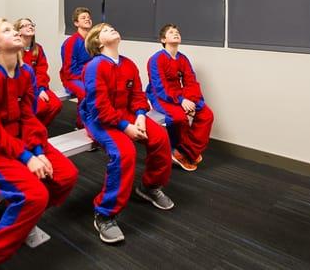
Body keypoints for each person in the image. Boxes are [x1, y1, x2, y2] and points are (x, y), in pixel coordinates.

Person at [0, 19, 78, 269]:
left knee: (67, 176)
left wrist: (37, 150)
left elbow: (29, 116)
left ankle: (7, 211)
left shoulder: (26, 73)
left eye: (14, 30)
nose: (15, 32)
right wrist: (28, 157)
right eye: (7, 31)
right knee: (35, 196)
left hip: (23, 140)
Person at [79, 23, 173, 244]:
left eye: (113, 27)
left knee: (160, 137)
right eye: (105, 29)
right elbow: (99, 108)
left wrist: (141, 115)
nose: (112, 28)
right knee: (124, 152)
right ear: (98, 42)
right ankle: (105, 213)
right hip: (100, 119)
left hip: (128, 115)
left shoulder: (128, 64)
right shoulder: (94, 66)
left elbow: (138, 95)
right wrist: (125, 127)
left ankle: (149, 187)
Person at [146, 24, 214, 171]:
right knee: (179, 118)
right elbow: (160, 87)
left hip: (181, 94)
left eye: (177, 32)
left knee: (207, 115)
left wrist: (192, 100)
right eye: (171, 32)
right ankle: (181, 151)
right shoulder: (156, 59)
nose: (176, 34)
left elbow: (191, 81)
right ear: (163, 39)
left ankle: (184, 152)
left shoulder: (183, 59)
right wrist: (181, 101)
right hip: (161, 96)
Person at [14, 18, 62, 126]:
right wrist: (34, 91)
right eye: (25, 25)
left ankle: (39, 128)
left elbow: (42, 71)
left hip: (39, 86)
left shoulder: (38, 49)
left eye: (31, 25)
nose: (30, 26)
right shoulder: (15, 49)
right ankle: (28, 130)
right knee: (40, 107)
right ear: (18, 31)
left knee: (56, 104)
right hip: (24, 90)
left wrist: (40, 89)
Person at [60, 7, 93, 128]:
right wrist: (87, 77)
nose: (87, 19)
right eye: (83, 18)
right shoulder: (71, 42)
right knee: (86, 92)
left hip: (88, 77)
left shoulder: (93, 41)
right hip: (72, 78)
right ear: (76, 23)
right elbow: (69, 70)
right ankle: (82, 124)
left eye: (89, 18)